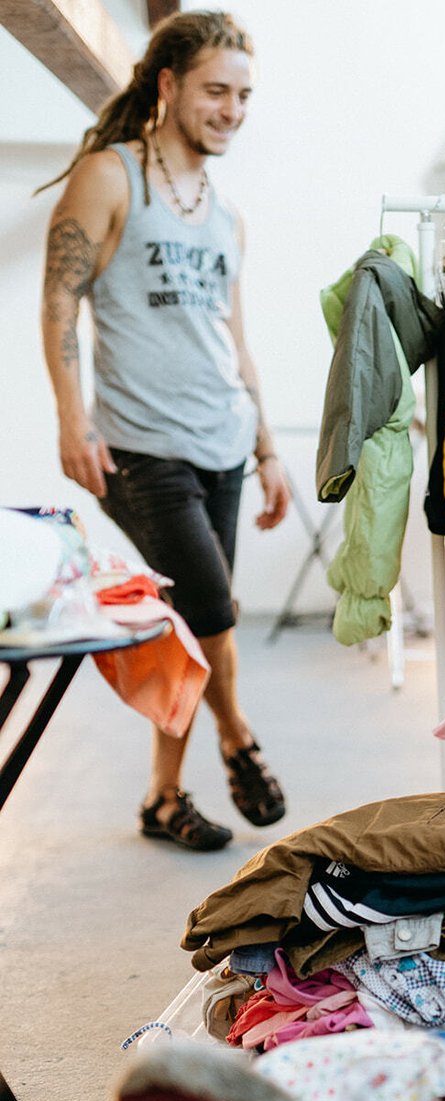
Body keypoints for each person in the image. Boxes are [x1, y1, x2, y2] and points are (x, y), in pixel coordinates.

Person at [40, 10, 289, 852]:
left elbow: (236, 345)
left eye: (244, 95)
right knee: (214, 608)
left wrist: (266, 449)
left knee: (189, 619)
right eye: (216, 90)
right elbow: (60, 298)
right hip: (141, 447)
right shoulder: (112, 177)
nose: (232, 109)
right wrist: (71, 418)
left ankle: (162, 796)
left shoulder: (226, 215)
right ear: (168, 84)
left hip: (222, 439)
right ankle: (237, 734)